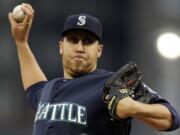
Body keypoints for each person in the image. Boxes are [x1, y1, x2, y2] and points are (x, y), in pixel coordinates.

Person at [8, 3, 180, 135]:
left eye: (88, 42)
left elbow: (171, 117)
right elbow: (34, 88)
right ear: (61, 46)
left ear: (99, 50)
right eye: (73, 40)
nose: (80, 48)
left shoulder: (112, 84)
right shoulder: (48, 90)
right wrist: (21, 42)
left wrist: (132, 107)